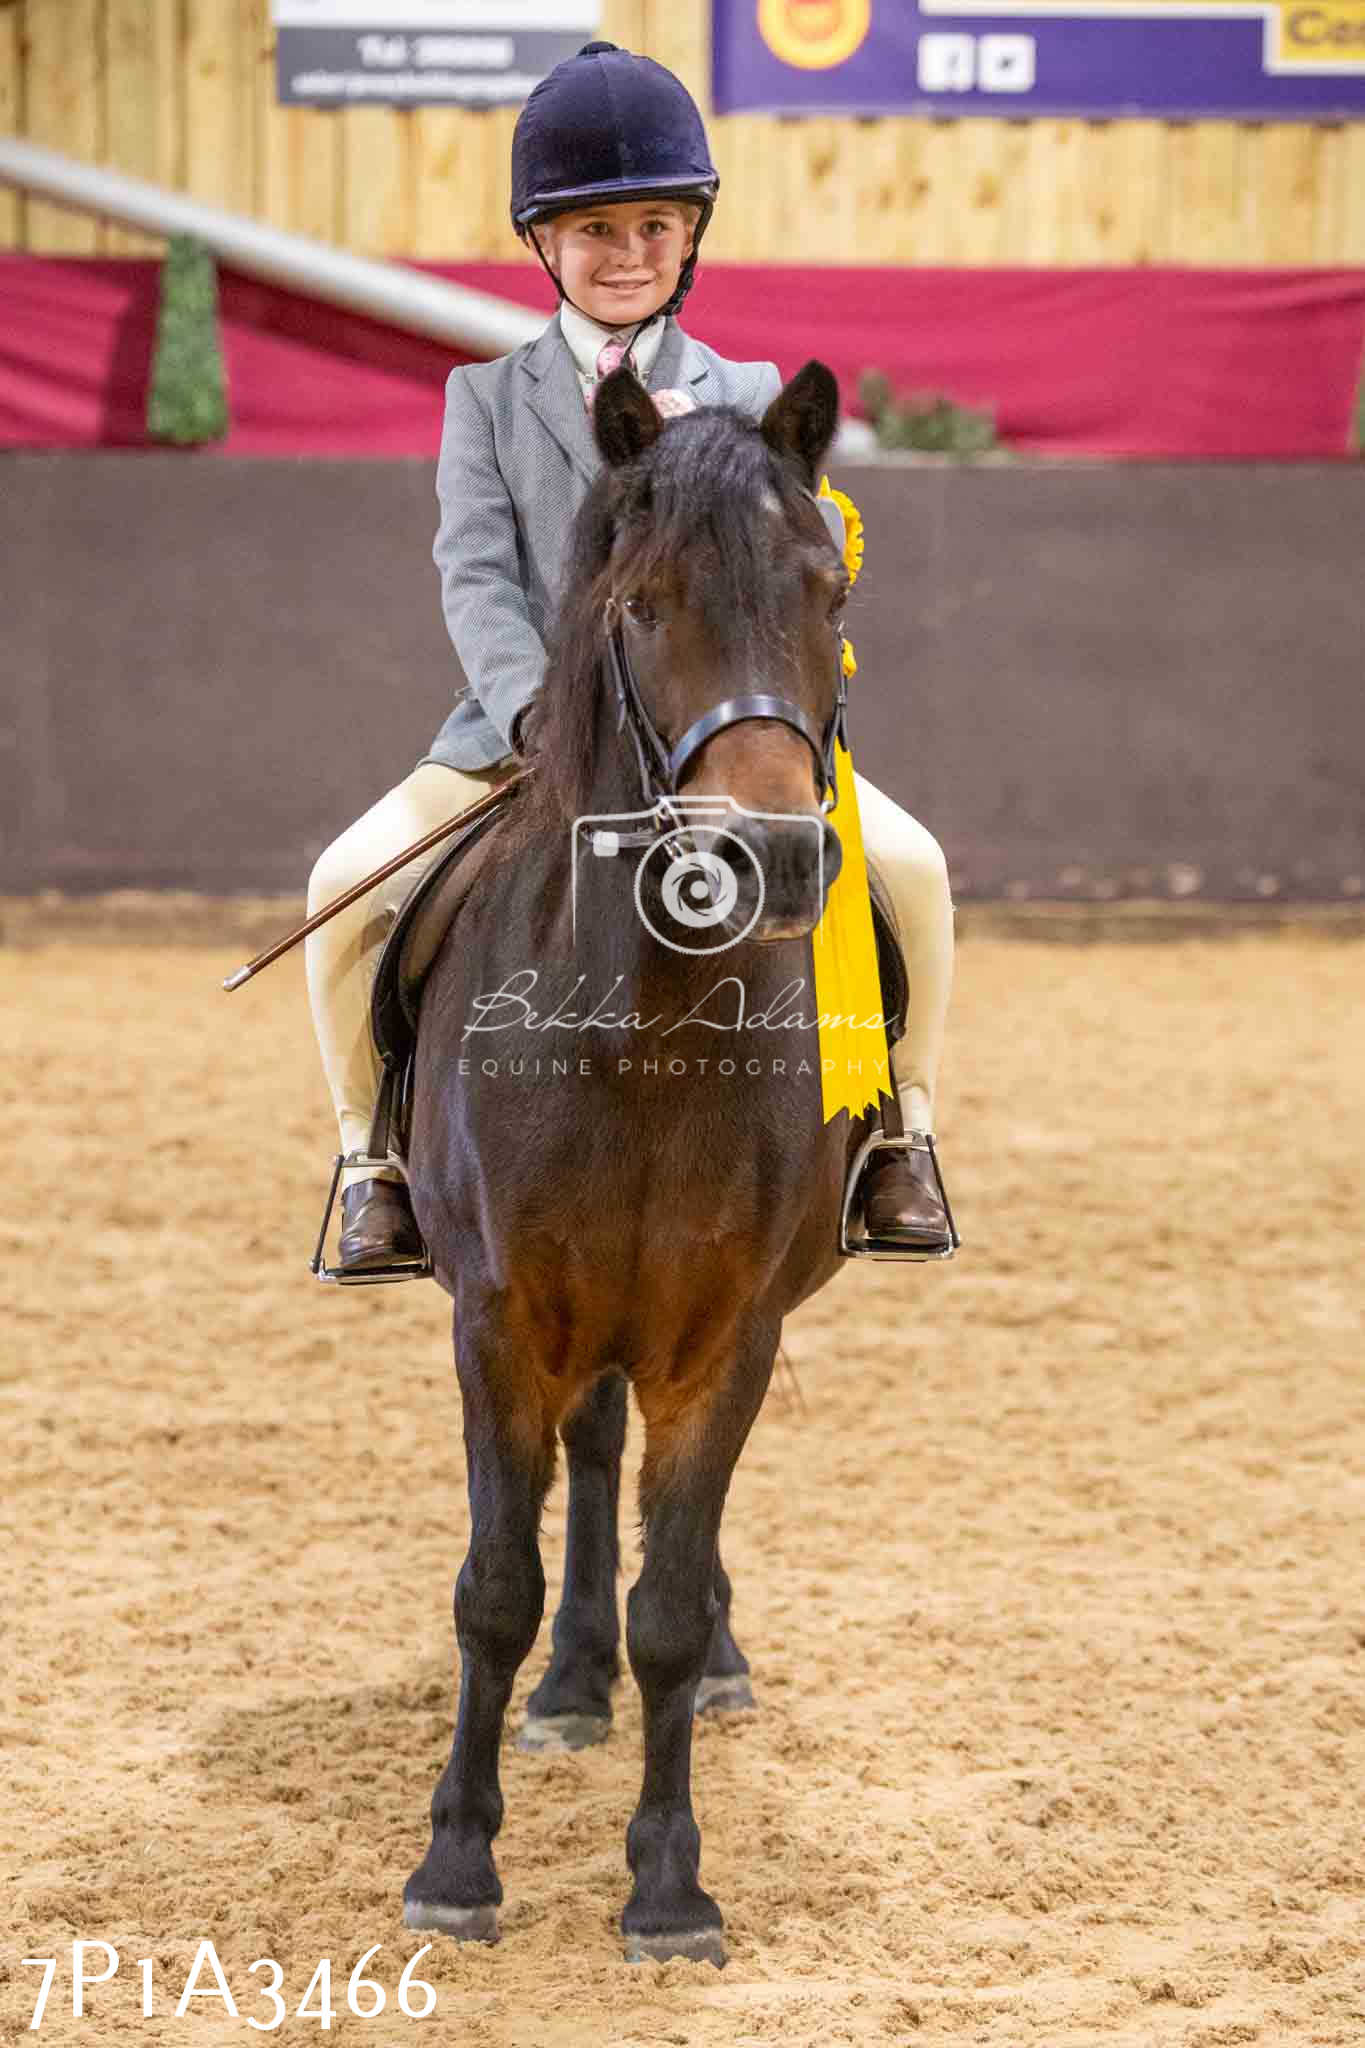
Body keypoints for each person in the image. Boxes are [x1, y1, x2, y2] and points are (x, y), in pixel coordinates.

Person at [305, 40, 956, 1275]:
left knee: (913, 871)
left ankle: (898, 1139)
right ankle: (369, 1162)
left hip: (715, 731)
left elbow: (785, 573)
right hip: (526, 739)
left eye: (654, 224)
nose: (627, 252)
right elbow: (479, 576)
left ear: (691, 235)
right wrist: (530, 716)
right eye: (594, 228)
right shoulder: (487, 398)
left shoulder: (749, 389)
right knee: (343, 891)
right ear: (544, 243)